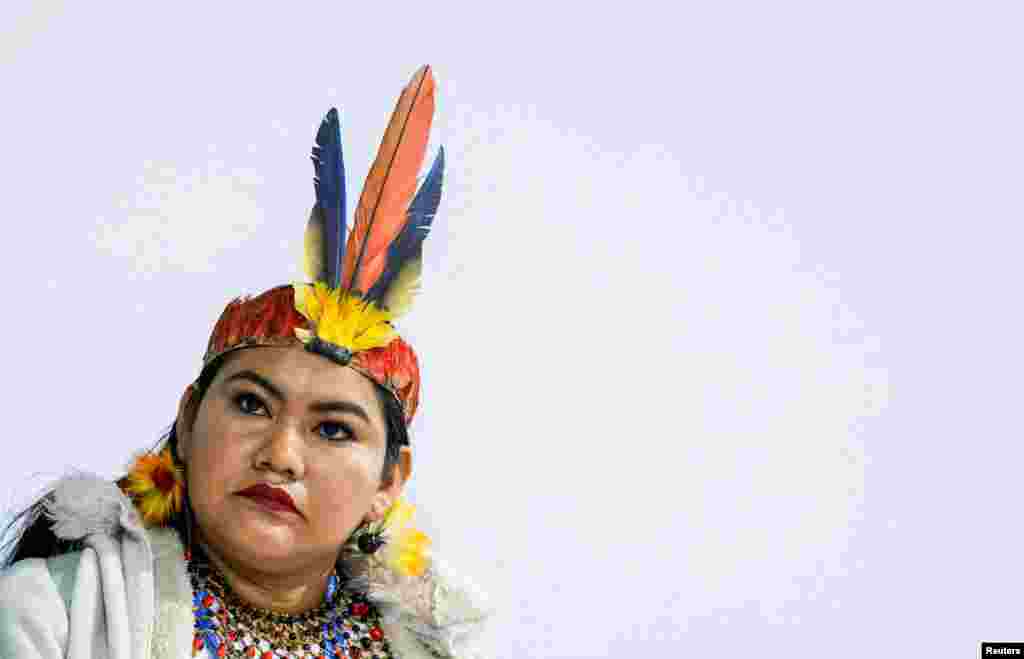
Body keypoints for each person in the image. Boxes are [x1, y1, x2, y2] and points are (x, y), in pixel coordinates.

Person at [0, 65, 490, 659]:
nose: (280, 456)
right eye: (251, 404)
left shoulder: (438, 646)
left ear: (388, 481)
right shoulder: (52, 615)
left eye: (333, 429)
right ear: (187, 420)